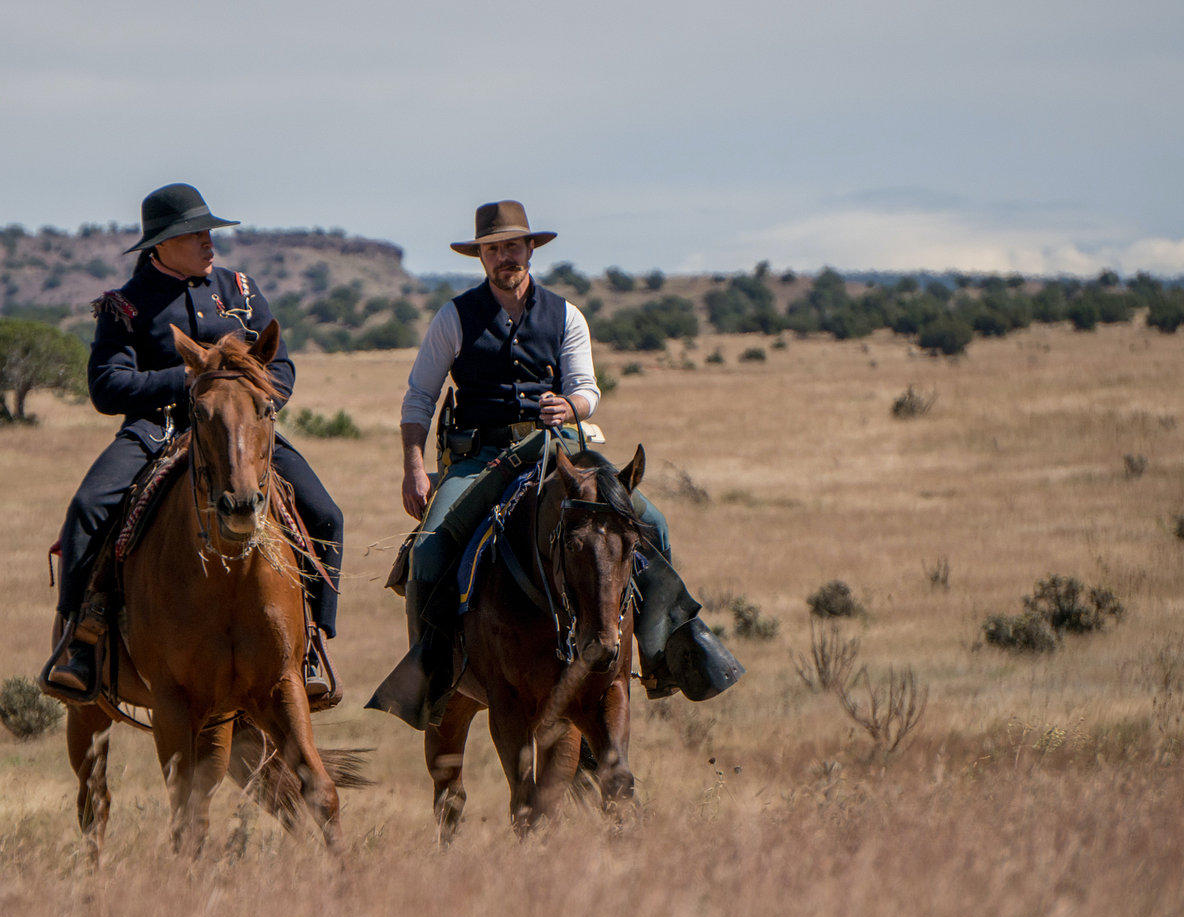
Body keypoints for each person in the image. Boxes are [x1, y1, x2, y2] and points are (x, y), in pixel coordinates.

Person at [367, 200, 741, 729]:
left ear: (530, 250)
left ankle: (661, 656)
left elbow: (586, 387)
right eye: (493, 249)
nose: (504, 257)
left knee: (651, 521)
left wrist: (572, 406)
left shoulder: (566, 315)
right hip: (482, 458)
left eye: (513, 247)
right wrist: (413, 466)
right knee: (429, 552)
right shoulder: (454, 317)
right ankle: (431, 680)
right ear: (480, 257)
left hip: (559, 450)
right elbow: (419, 398)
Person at [44, 183, 344, 706]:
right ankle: (81, 640)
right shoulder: (126, 306)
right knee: (88, 508)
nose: (208, 241)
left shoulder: (242, 290)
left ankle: (311, 645)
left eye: (209, 231)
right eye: (194, 233)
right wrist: (186, 384)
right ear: (160, 244)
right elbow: (106, 386)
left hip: (241, 431)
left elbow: (282, 364)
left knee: (325, 515)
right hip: (158, 430)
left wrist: (256, 400)